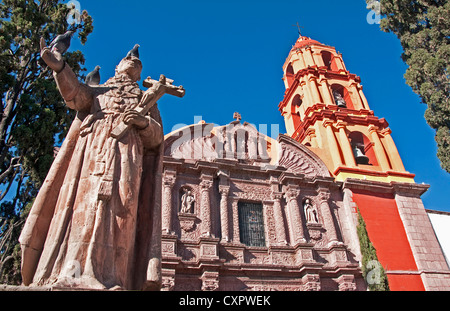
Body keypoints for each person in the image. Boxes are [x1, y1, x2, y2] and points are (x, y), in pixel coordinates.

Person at [19, 39, 164, 290]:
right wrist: (60, 67)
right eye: (128, 57)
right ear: (117, 67)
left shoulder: (146, 99)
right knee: (83, 206)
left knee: (123, 210)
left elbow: (156, 138)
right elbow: (75, 94)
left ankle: (113, 278)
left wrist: (142, 123)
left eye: (137, 61)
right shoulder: (100, 91)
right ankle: (72, 272)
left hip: (128, 157)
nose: (133, 58)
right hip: (92, 154)